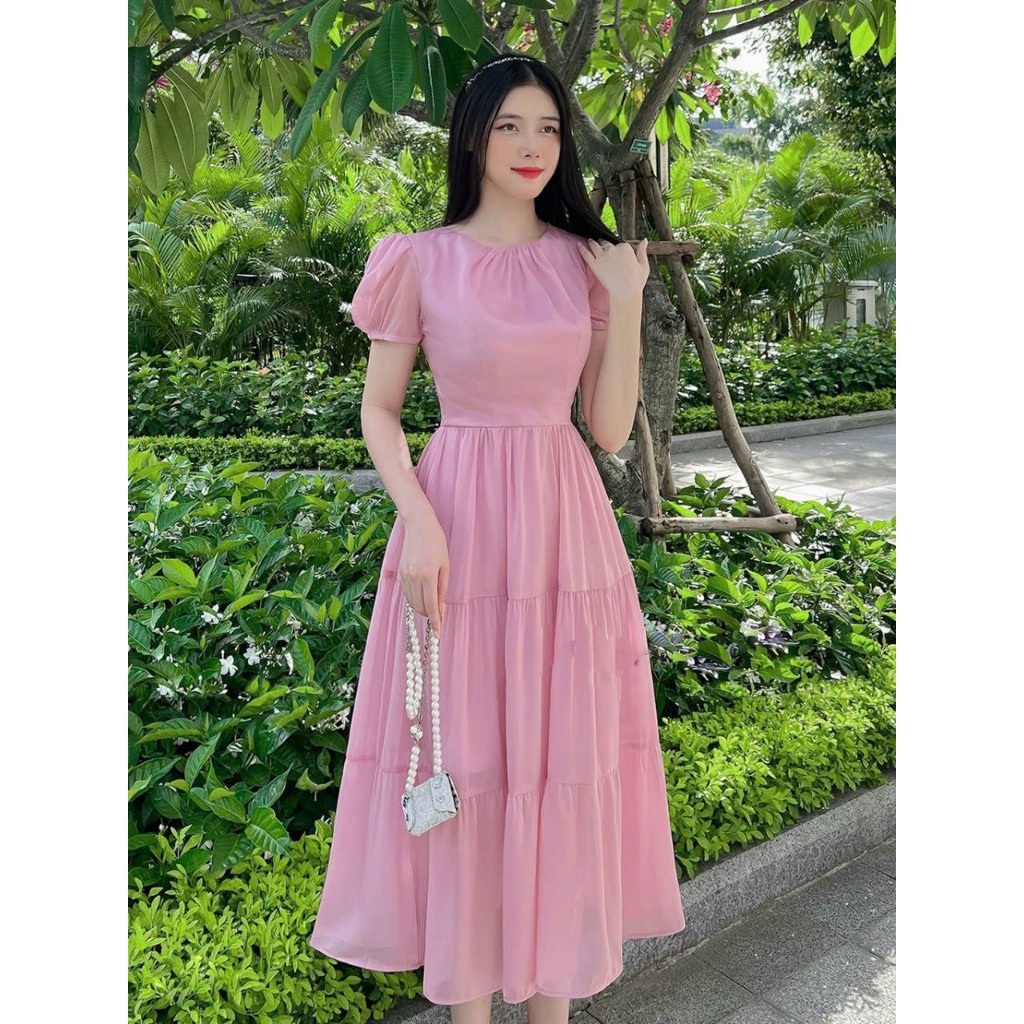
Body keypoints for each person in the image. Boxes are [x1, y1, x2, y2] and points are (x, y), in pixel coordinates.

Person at [309, 53, 686, 1024]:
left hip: (564, 533)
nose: (532, 145)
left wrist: (628, 300)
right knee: (468, 769)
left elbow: (609, 430)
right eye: (511, 125)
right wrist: (418, 521)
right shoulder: (417, 259)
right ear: (473, 134)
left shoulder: (585, 263)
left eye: (548, 128)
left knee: (561, 766)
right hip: (456, 528)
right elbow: (380, 411)